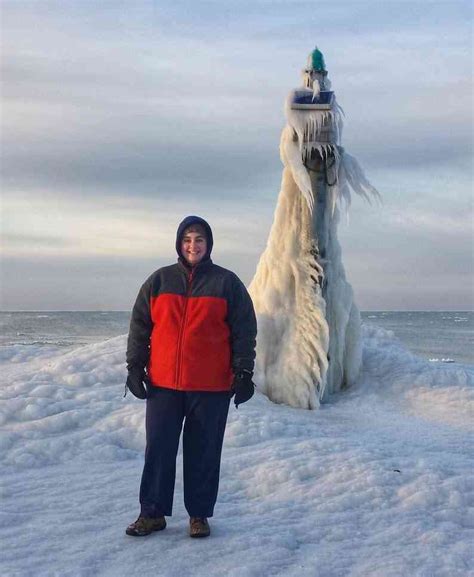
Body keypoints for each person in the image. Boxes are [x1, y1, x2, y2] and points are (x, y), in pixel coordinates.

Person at [124, 215, 257, 538]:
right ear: (179, 244)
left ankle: (198, 515)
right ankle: (152, 514)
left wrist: (243, 371)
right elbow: (140, 326)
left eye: (198, 240)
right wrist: (134, 367)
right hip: (163, 384)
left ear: (208, 244)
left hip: (210, 386)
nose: (193, 246)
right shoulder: (158, 281)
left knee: (204, 451)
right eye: (187, 240)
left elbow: (244, 330)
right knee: (158, 448)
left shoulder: (227, 283)